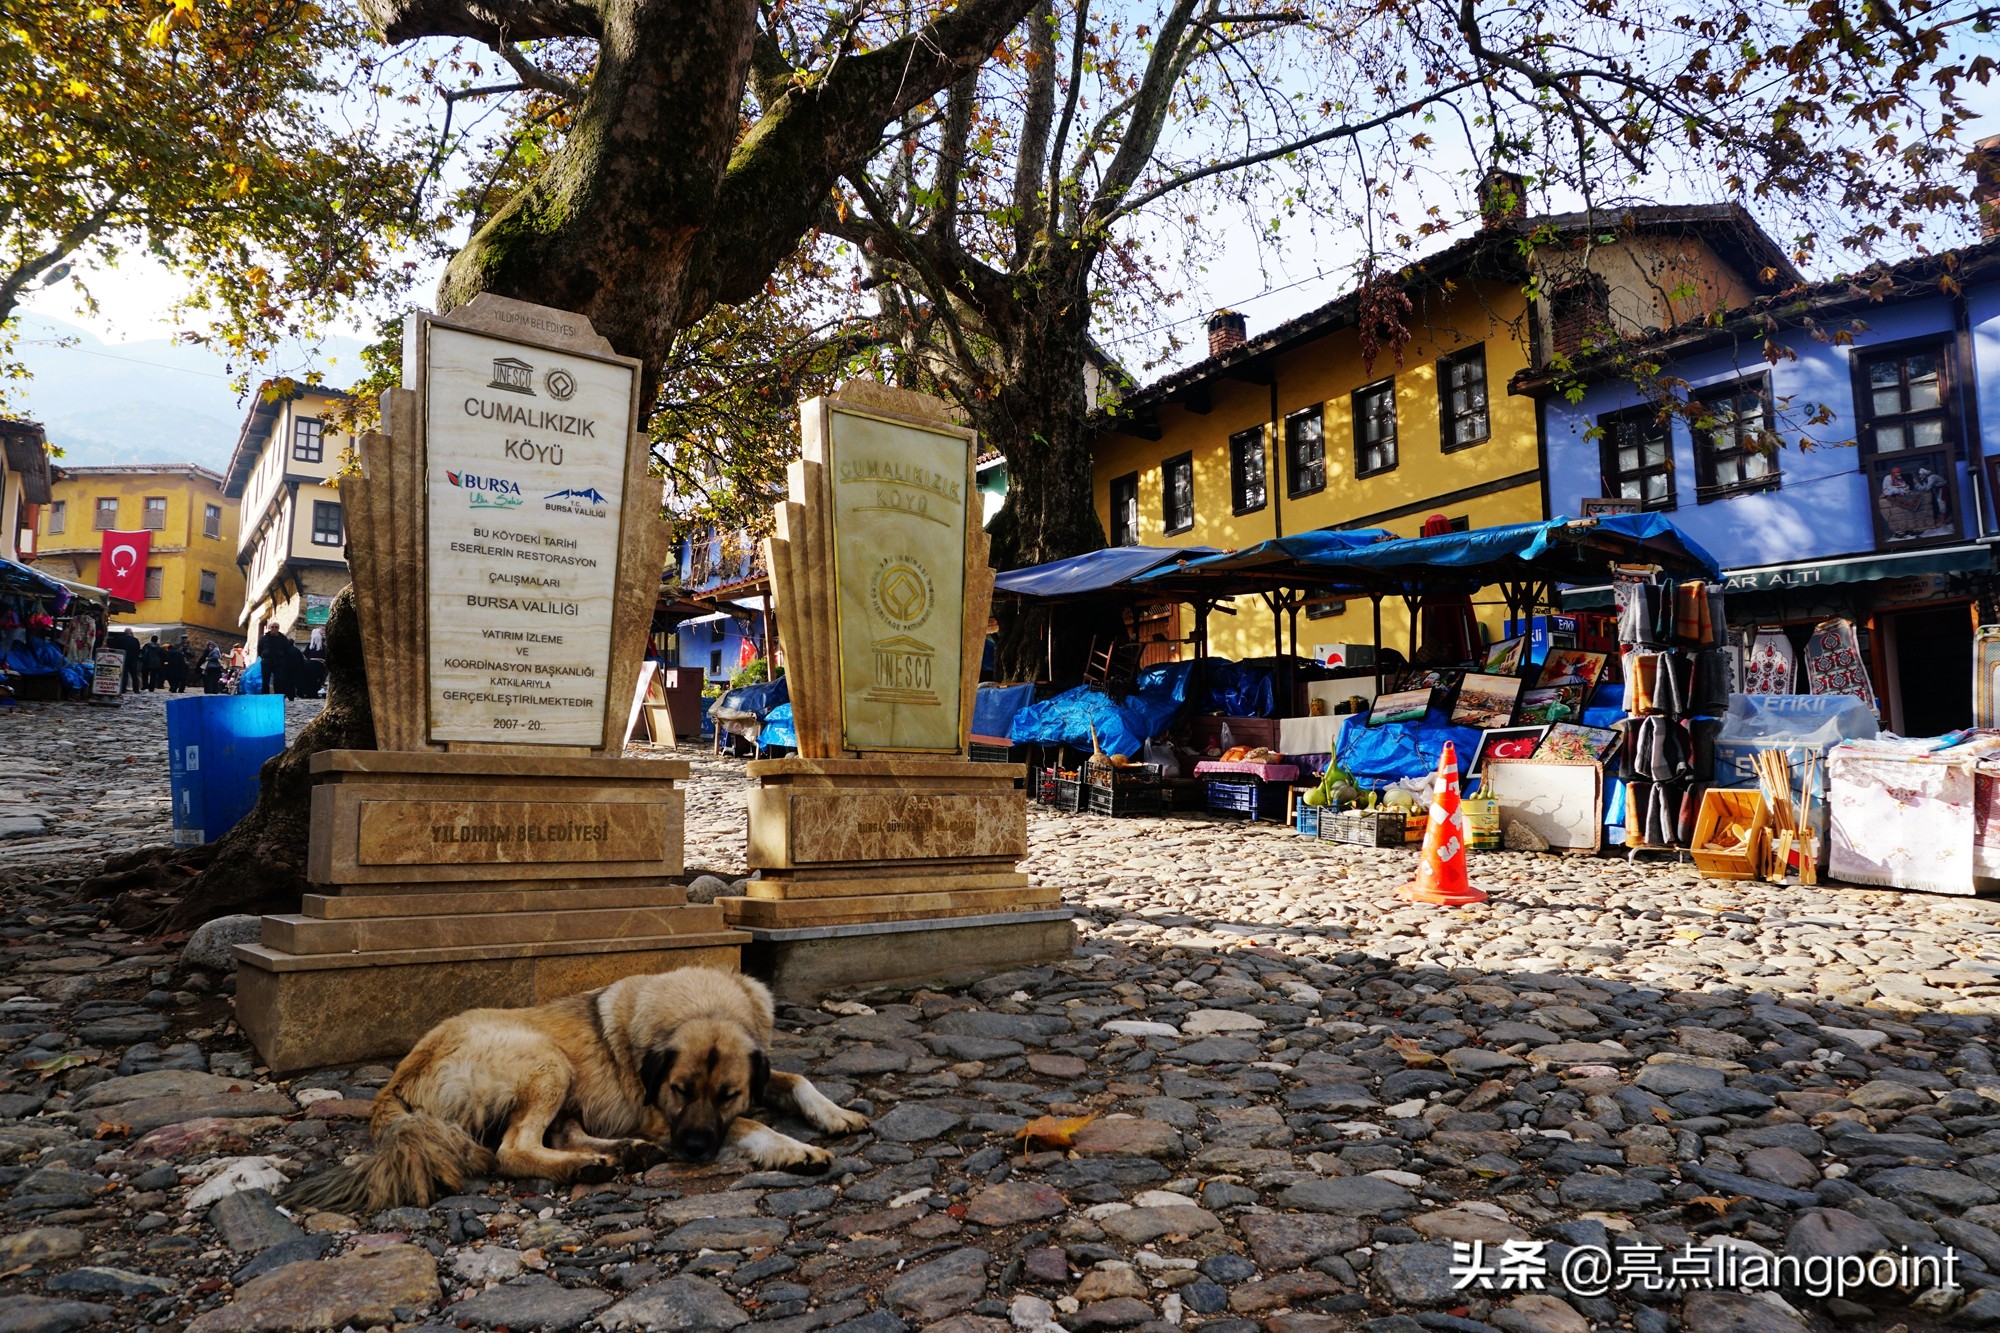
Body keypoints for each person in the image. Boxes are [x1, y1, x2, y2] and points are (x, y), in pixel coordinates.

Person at [257, 625, 290, 697]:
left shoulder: (283, 638)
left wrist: (283, 658)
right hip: (266, 661)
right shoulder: (264, 638)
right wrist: (263, 656)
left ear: (278, 628)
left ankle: (277, 696)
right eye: (272, 627)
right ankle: (265, 695)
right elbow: (259, 649)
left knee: (278, 679)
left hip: (279, 662)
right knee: (265, 680)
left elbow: (287, 650)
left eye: (276, 627)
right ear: (270, 628)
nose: (274, 628)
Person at [109, 626, 141, 692]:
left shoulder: (120, 639)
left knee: (124, 674)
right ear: (131, 632)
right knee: (134, 675)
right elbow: (138, 650)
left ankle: (123, 688)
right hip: (133, 660)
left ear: (124, 632)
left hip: (123, 659)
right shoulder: (135, 640)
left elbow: (116, 649)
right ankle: (136, 689)